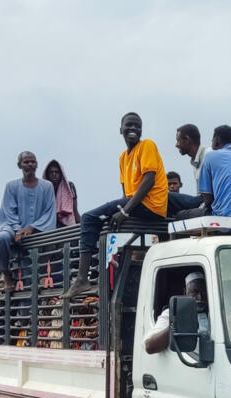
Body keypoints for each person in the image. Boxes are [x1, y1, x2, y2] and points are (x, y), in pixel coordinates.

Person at [63, 113, 168, 299]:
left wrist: (125, 211)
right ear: (121, 129)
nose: (133, 129)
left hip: (150, 205)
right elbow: (125, 193)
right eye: (129, 125)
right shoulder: (123, 158)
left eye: (137, 126)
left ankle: (82, 278)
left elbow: (149, 180)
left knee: (88, 218)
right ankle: (97, 270)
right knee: (105, 222)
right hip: (136, 204)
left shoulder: (147, 145)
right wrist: (121, 211)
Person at [0, 152, 57, 291]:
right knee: (2, 238)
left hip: (38, 228)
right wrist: (18, 230)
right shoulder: (11, 186)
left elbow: (49, 212)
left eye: (33, 162)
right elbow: (9, 210)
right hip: (12, 226)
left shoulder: (47, 186)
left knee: (47, 246)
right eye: (26, 162)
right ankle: (5, 274)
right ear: (19, 165)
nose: (30, 164)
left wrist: (31, 228)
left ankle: (41, 275)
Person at [144, 272, 209, 354]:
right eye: (194, 292)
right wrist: (176, 324)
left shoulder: (215, 313)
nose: (200, 297)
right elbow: (150, 347)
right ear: (185, 292)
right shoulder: (171, 313)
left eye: (204, 292)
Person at [43, 160, 79, 227]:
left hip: (67, 224)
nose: (54, 174)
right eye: (51, 172)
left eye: (56, 172)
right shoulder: (43, 191)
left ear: (61, 174)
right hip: (49, 225)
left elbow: (75, 210)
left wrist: (80, 225)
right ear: (47, 175)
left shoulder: (69, 187)